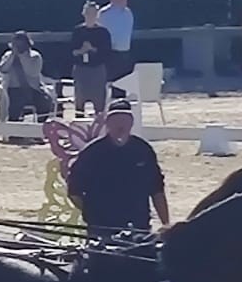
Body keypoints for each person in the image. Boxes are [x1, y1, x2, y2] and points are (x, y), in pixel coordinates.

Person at [65, 100, 169, 240]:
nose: (121, 125)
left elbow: (157, 189)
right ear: (107, 123)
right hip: (102, 227)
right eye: (116, 120)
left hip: (138, 225)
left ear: (131, 123)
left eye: (125, 120)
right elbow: (74, 191)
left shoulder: (143, 150)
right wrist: (91, 213)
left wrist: (166, 223)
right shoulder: (92, 152)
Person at [0, 31, 55, 123]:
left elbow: (32, 72)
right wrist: (13, 56)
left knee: (45, 101)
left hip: (33, 89)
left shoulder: (35, 56)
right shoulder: (8, 55)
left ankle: (39, 128)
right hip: (14, 89)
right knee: (15, 102)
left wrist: (22, 57)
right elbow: (3, 69)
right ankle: (14, 132)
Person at [70, 0, 113, 115]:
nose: (90, 16)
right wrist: (81, 50)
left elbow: (107, 53)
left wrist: (93, 49)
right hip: (81, 69)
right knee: (79, 100)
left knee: (99, 102)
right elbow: (71, 51)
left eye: (93, 13)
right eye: (88, 13)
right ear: (84, 14)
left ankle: (100, 126)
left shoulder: (103, 32)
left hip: (97, 69)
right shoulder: (77, 31)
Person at [99, 0, 136, 93]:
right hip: (109, 53)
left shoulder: (128, 13)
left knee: (123, 84)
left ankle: (121, 106)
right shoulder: (103, 13)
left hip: (125, 53)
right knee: (109, 83)